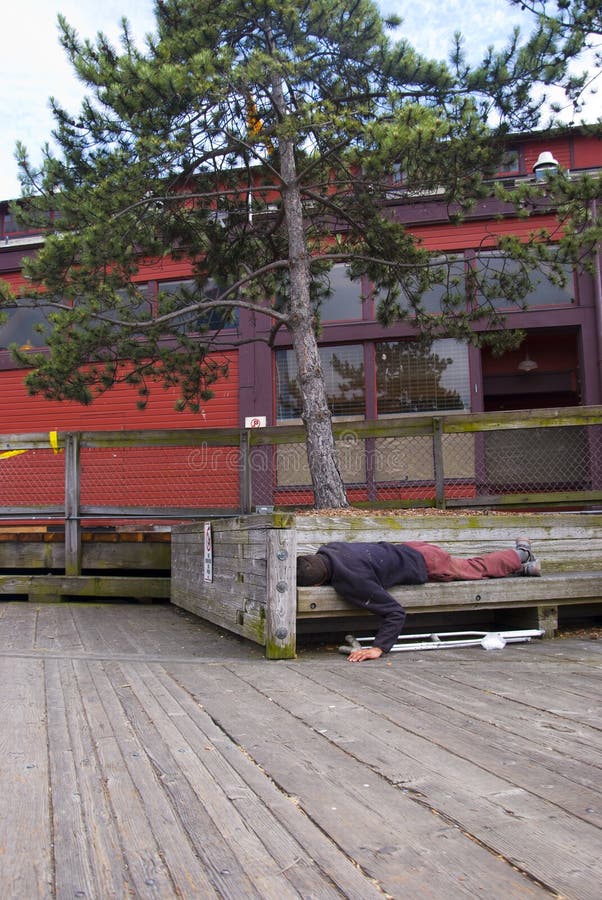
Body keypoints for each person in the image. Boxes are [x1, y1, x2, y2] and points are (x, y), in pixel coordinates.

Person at [296, 538, 540, 662]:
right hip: (411, 549)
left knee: (475, 569)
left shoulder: (352, 581)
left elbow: (395, 612)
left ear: (319, 584)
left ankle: (521, 554)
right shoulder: (329, 549)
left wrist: (378, 648)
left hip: (427, 562)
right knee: (472, 568)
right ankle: (526, 569)